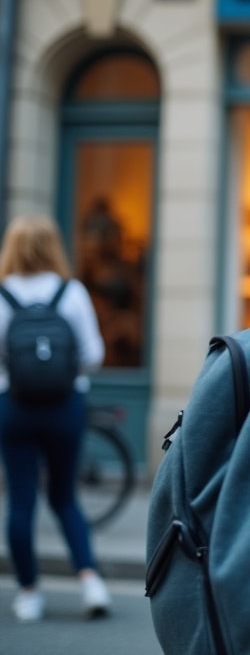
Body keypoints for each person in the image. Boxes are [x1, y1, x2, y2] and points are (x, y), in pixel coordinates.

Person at [0, 215, 110, 622]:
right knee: (65, 497)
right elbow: (93, 355)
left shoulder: (3, 294)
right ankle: (90, 581)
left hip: (15, 407)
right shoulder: (72, 292)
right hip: (65, 406)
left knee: (21, 501)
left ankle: (29, 592)